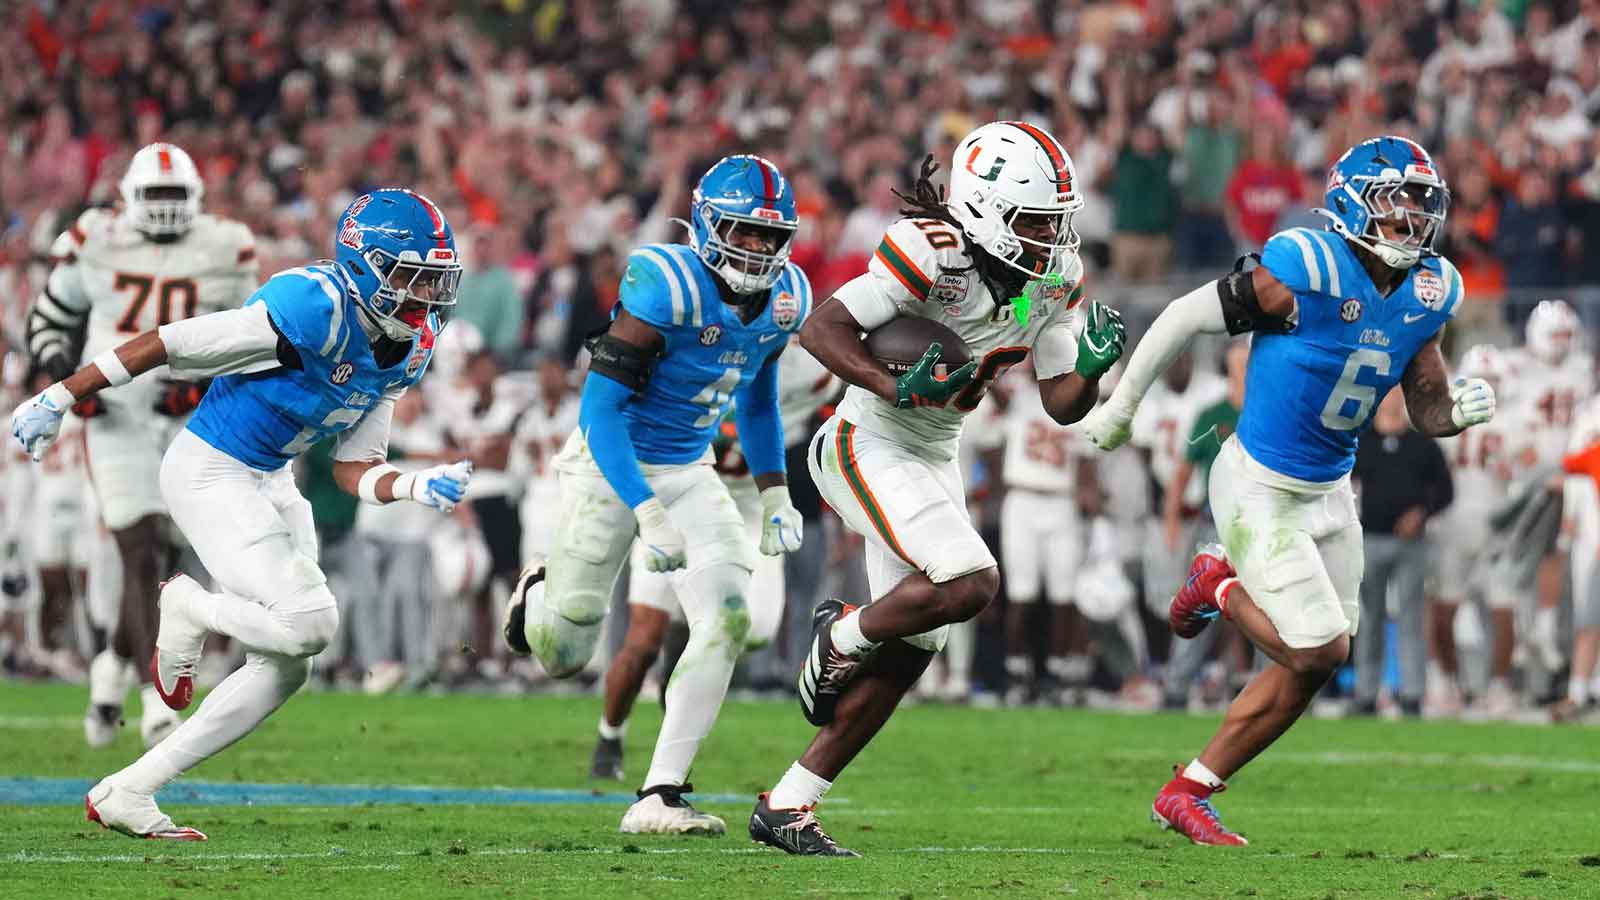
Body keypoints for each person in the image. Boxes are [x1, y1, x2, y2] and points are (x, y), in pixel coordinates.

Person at [10, 189, 472, 841]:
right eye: (410, 277)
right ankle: (188, 606)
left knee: (291, 663)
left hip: (273, 480)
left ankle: (132, 788)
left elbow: (354, 467)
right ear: (366, 264)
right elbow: (169, 343)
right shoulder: (312, 309)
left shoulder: (412, 343)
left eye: (434, 280)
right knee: (310, 621)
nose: (424, 296)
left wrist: (413, 487)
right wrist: (58, 396)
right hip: (210, 470)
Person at [1080, 136, 1496, 845]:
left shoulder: (1430, 289)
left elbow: (1424, 404)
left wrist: (1456, 413)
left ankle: (1190, 789)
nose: (1413, 219)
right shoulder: (1308, 267)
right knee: (1317, 650)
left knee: (1314, 666)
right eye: (1399, 202)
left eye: (1423, 205)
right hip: (1259, 487)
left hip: (1333, 493)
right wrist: (1119, 407)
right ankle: (1217, 585)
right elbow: (1183, 315)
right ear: (1353, 202)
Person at [748, 122, 1126, 857]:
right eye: (1038, 218)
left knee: (916, 644)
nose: (1053, 234)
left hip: (936, 451)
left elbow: (1059, 399)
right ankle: (841, 633)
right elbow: (823, 331)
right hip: (868, 437)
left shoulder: (1049, 280)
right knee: (972, 581)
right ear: (985, 208)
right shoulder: (930, 250)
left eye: (1058, 218)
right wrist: (895, 383)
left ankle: (789, 802)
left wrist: (1095, 369)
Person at [502, 155, 810, 835]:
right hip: (607, 464)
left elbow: (758, 402)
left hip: (688, 465)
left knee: (728, 619)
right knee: (563, 654)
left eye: (770, 235)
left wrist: (776, 492)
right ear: (706, 225)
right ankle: (535, 599)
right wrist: (644, 509)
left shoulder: (788, 297)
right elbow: (600, 412)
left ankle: (659, 795)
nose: (759, 248)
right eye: (743, 231)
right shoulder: (665, 282)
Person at [25, 143, 259, 749]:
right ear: (128, 196)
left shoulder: (226, 246)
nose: (163, 208)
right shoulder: (95, 238)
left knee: (170, 552)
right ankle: (157, 699)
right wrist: (68, 379)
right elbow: (49, 320)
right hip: (116, 415)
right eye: (153, 195)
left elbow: (251, 339)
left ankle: (109, 664)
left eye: (173, 195)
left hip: (190, 419)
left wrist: (206, 381)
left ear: (197, 198)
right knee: (139, 549)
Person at [1350, 387, 1454, 716]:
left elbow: (1446, 490)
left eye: (1398, 392)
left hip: (1411, 543)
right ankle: (1366, 692)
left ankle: (1412, 693)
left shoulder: (1422, 444)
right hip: (1369, 538)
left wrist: (1422, 512)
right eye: (1388, 392)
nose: (1392, 399)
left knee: (1411, 618)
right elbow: (1339, 487)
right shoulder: (1360, 441)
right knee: (1369, 619)